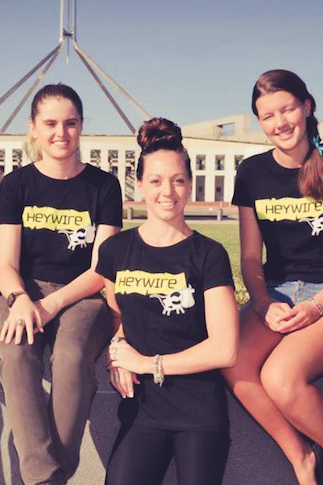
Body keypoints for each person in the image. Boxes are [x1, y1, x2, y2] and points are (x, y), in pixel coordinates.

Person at [221, 69, 323, 485]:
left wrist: (317, 305)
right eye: (267, 115)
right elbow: (251, 256)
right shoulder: (252, 172)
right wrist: (262, 303)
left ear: (307, 107)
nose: (280, 122)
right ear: (259, 122)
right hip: (275, 293)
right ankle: (301, 457)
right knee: (231, 360)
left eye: (287, 108)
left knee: (280, 377)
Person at [0, 83, 122, 484]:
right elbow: (5, 264)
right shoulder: (16, 185)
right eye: (50, 123)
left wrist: (54, 303)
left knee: (70, 357)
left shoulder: (103, 186)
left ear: (81, 127)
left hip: (81, 295)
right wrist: (22, 299)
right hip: (22, 293)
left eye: (70, 123)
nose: (60, 133)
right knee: (16, 353)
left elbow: (101, 269)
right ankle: (46, 477)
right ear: (33, 128)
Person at [99, 118, 238, 484]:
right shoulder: (116, 250)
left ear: (189, 184)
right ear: (140, 184)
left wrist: (146, 363)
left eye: (178, 180)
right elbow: (118, 315)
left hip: (199, 413)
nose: (168, 192)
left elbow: (225, 349)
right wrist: (118, 350)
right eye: (156, 181)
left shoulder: (209, 254)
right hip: (142, 412)